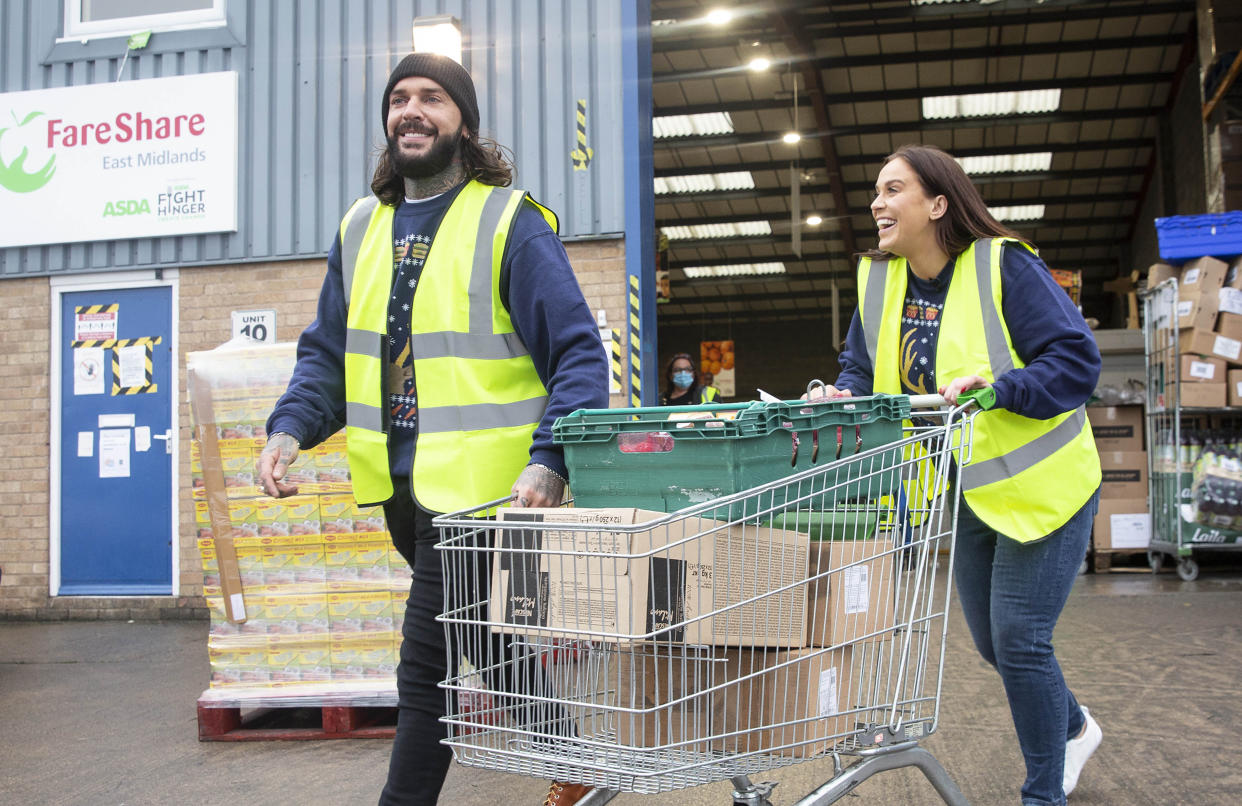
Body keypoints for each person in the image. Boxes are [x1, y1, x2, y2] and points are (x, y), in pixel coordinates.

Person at [256, 52, 608, 806]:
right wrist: (289, 428)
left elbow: (578, 353)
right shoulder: (361, 226)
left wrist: (551, 457)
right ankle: (573, 759)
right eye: (397, 99)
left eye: (432, 97)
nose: (410, 110)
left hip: (488, 496)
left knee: (425, 671)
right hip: (403, 490)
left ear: (465, 122)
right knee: (483, 640)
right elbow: (327, 354)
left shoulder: (508, 222)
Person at [809, 144, 1103, 806]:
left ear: (937, 204)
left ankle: (1042, 795)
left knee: (1022, 640)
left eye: (893, 190)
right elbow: (861, 367)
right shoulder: (879, 280)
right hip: (968, 490)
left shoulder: (1005, 267)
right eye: (875, 193)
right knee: (995, 644)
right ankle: (1076, 728)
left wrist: (1001, 389)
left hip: (1047, 484)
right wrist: (841, 393)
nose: (877, 204)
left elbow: (1077, 362)